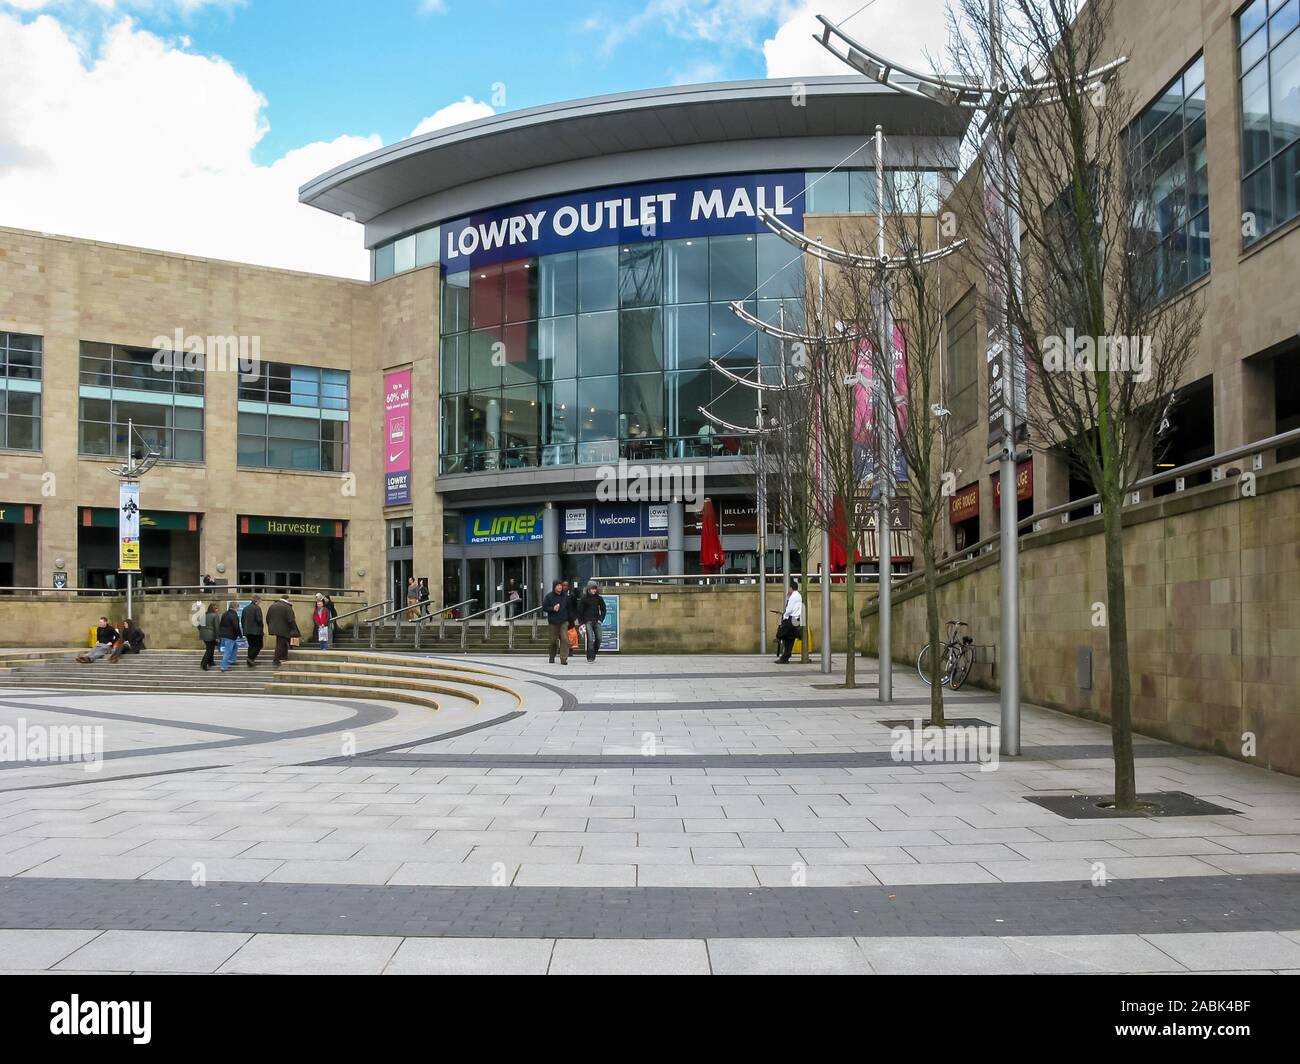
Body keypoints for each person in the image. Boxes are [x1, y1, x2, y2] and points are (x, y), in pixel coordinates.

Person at [575, 581, 607, 663]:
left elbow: (603, 609)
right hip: (587, 621)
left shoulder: (599, 598)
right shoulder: (584, 598)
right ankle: (590, 656)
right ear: (588, 589)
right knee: (590, 639)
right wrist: (581, 622)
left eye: (595, 589)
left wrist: (601, 619)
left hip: (597, 621)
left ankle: (594, 651)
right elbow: (580, 611)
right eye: (592, 589)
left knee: (599, 638)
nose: (594, 590)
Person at [542, 579, 572, 665]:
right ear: (554, 587)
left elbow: (569, 609)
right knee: (552, 641)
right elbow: (544, 607)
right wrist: (552, 608)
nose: (559, 587)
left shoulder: (565, 597)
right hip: (553, 622)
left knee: (565, 639)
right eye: (558, 585)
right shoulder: (549, 596)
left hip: (563, 621)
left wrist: (571, 620)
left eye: (560, 585)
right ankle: (552, 655)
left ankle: (563, 658)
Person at [266, 594, 300, 667]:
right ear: (287, 599)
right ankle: (276, 660)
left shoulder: (272, 606)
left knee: (282, 642)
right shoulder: (287, 607)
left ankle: (284, 656)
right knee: (280, 644)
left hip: (274, 628)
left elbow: (268, 618)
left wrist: (270, 626)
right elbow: (291, 620)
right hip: (284, 629)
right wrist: (294, 628)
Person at [775, 578, 803, 664]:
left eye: (789, 588)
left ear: (791, 588)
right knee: (790, 639)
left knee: (781, 633)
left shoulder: (793, 596)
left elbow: (789, 609)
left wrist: (785, 617)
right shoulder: (799, 595)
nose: (788, 590)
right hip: (796, 619)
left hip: (791, 618)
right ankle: (785, 657)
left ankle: (778, 638)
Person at [217, 599, 242, 672]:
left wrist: (220, 634)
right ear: (235, 607)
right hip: (230, 636)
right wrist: (240, 635)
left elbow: (221, 624)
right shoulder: (234, 615)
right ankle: (223, 667)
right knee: (228, 651)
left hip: (224, 635)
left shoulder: (225, 613)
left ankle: (232, 660)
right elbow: (236, 627)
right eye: (238, 607)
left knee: (235, 646)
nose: (238, 609)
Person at [242, 595, 265, 668]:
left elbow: (242, 620)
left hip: (247, 631)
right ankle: (250, 658)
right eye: (260, 601)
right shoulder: (257, 608)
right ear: (257, 600)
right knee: (259, 645)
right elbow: (259, 620)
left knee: (251, 646)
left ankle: (250, 661)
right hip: (256, 631)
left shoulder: (245, 608)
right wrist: (261, 629)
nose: (260, 602)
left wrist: (244, 628)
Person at [197, 603, 219, 671]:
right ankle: (203, 664)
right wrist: (218, 637)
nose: (217, 610)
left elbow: (198, 626)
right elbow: (217, 627)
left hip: (203, 635)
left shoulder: (204, 615)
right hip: (211, 635)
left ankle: (211, 662)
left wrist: (202, 630)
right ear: (213, 609)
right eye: (216, 608)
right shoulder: (215, 615)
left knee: (211, 648)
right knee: (209, 650)